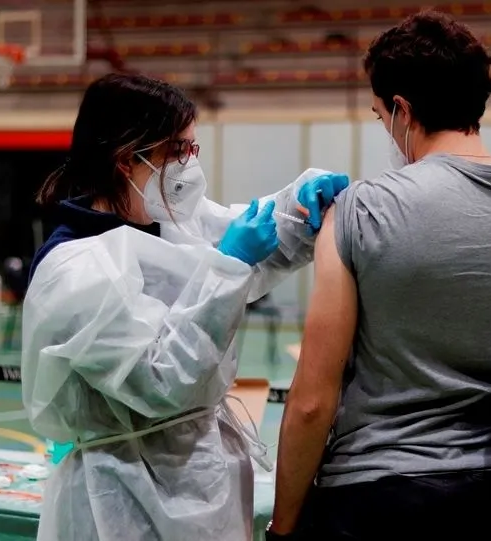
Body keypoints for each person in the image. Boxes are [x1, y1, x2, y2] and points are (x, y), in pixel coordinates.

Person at [269, 12, 491, 540]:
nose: (386, 129)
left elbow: (314, 400)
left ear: (403, 111)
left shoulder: (360, 209)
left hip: (375, 495)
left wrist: (284, 525)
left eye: (382, 117)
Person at [21, 73, 349, 541]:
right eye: (177, 151)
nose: (190, 164)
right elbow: (161, 379)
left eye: (192, 148)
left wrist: (299, 202)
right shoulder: (74, 270)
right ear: (124, 160)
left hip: (201, 481)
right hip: (122, 497)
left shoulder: (169, 221)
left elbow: (254, 234)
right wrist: (228, 267)